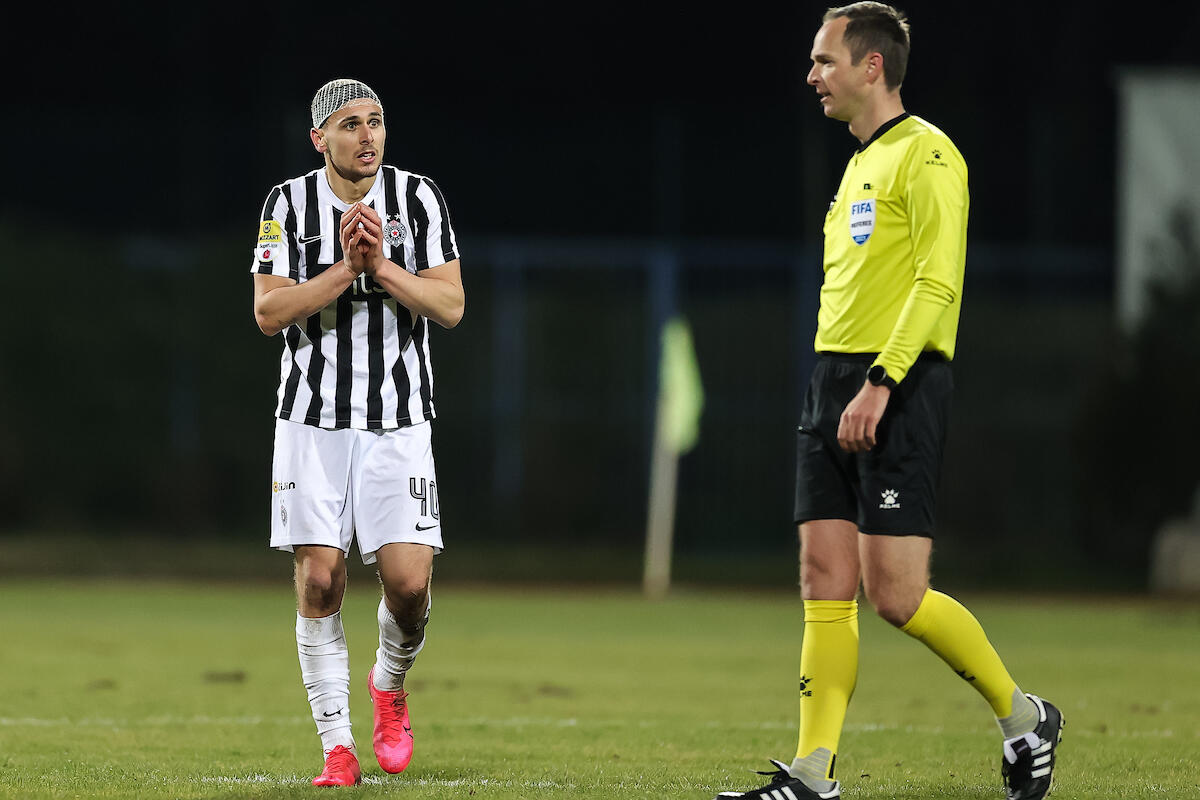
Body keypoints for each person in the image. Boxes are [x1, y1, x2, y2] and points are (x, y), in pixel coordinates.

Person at [716, 5, 1062, 800]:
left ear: (872, 67)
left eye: (825, 60)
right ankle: (813, 773)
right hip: (831, 383)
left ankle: (1025, 716)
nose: (812, 75)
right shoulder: (856, 165)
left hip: (896, 386)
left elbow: (938, 285)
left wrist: (881, 382)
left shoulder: (929, 154)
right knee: (823, 578)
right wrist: (840, 384)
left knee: (897, 596)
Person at [250, 78, 464, 787]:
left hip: (398, 421)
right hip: (311, 421)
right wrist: (346, 270)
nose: (367, 135)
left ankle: (389, 685)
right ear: (320, 139)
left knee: (407, 585)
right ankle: (338, 747)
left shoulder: (418, 198)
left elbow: (450, 305)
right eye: (350, 124)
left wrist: (382, 269)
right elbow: (268, 312)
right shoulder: (286, 205)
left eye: (375, 121)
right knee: (320, 579)